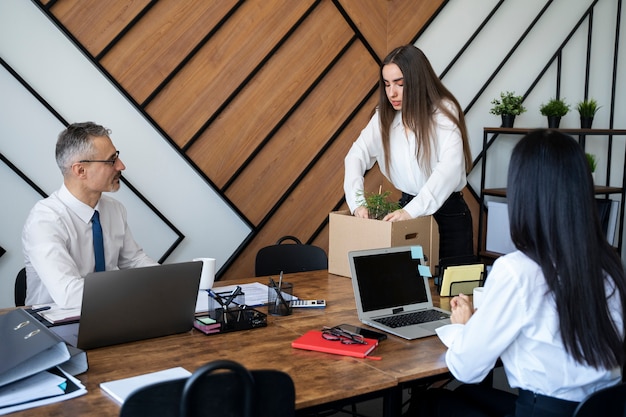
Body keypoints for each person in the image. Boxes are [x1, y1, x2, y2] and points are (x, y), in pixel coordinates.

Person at [424, 130, 626, 417]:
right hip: (595, 409)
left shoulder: (518, 271)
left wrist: (465, 327)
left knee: (433, 403)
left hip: (542, 411)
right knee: (469, 395)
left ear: (524, 195)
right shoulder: (608, 264)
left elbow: (466, 368)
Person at [343, 44, 473, 260]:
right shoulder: (384, 117)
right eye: (386, 84)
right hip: (405, 212)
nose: (392, 93)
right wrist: (357, 204)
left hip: (448, 216)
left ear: (418, 81)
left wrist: (412, 211)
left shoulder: (443, 112)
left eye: (400, 84)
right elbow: (355, 156)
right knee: (410, 290)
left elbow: (449, 169)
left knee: (453, 291)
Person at [22, 122, 158, 308]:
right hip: (54, 327)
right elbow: (69, 295)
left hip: (109, 316)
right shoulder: (45, 221)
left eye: (117, 157)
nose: (121, 166)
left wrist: (171, 281)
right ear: (80, 170)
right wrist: (133, 287)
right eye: (111, 160)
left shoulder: (114, 209)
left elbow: (134, 261)